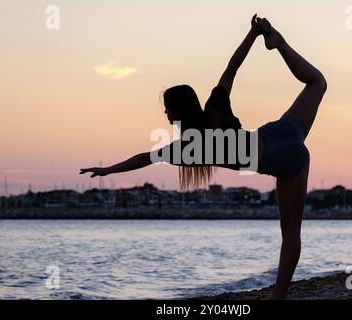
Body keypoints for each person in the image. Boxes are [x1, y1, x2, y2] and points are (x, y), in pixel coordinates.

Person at [80, 14, 327, 299]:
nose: (165, 113)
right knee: (317, 82)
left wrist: (108, 171)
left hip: (286, 161)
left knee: (290, 233)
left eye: (167, 109)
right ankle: (279, 43)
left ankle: (278, 296)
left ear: (177, 111)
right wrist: (254, 34)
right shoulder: (214, 107)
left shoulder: (188, 148)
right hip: (279, 131)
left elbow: (143, 158)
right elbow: (232, 68)